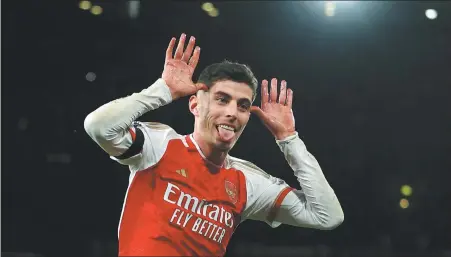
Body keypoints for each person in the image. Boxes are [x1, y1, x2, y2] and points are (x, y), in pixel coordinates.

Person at [84, 33, 344, 256]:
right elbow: (98, 126)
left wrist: (289, 139)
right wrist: (163, 90)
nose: (233, 112)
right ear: (195, 105)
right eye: (222, 99)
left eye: (242, 106)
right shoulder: (159, 146)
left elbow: (328, 216)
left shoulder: (246, 183)